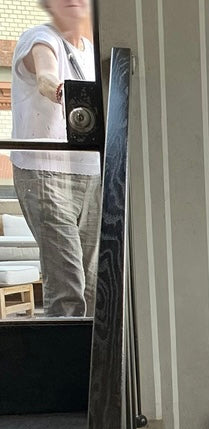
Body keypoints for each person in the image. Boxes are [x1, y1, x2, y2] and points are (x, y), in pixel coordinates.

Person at [11, 0, 101, 317]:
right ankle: (64, 348)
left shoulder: (92, 52)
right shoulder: (40, 37)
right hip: (45, 172)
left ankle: (91, 349)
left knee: (93, 285)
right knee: (68, 285)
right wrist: (61, 93)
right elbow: (46, 76)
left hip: (91, 171)